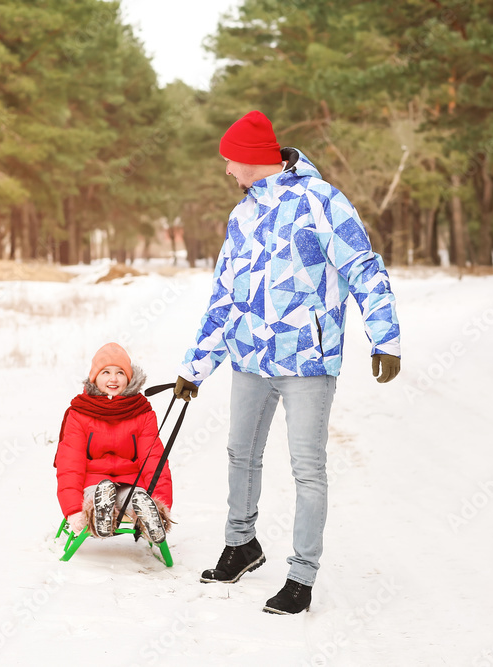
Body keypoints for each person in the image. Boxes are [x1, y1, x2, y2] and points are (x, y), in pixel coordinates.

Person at [174, 110, 401, 614]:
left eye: (230, 160)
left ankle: (301, 577)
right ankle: (241, 545)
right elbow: (224, 296)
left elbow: (364, 267)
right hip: (249, 354)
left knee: (307, 469)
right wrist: (196, 366)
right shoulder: (242, 215)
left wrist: (384, 338)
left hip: (308, 359)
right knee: (240, 453)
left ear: (252, 159)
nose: (227, 170)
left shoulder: (322, 201)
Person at [56, 343, 172, 544]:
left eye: (120, 372)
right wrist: (73, 510)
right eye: (106, 372)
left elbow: (154, 459)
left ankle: (151, 516)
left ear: (129, 378)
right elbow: (70, 464)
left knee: (136, 497)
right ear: (94, 377)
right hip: (93, 482)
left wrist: (162, 501)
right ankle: (100, 514)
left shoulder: (141, 412)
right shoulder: (80, 413)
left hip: (131, 481)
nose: (113, 378)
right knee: (99, 493)